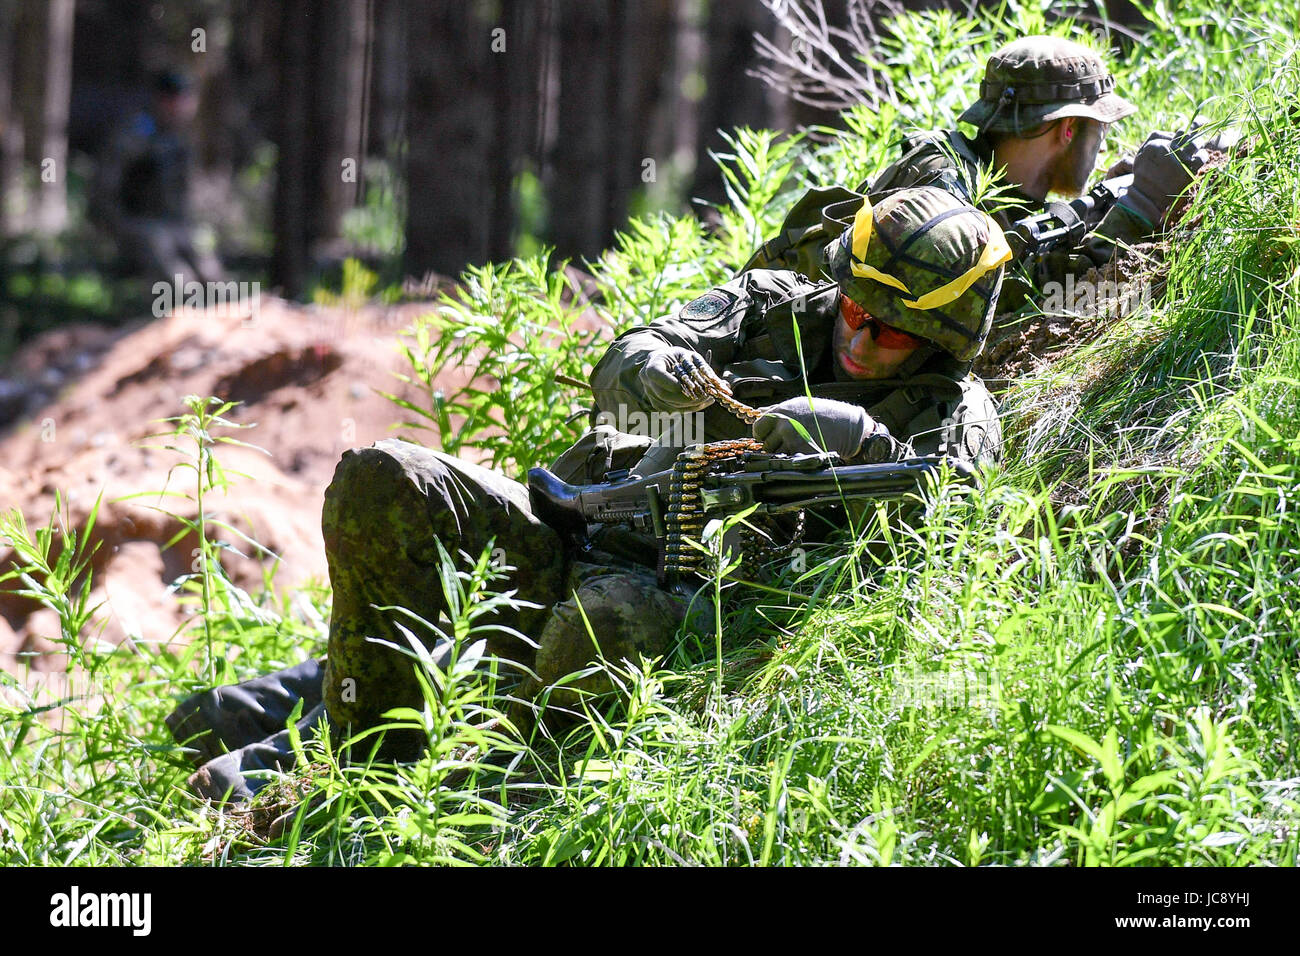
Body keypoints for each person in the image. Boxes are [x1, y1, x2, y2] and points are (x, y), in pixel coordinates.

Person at [166, 186, 1010, 802]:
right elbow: (625, 360)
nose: (860, 333)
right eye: (856, 305)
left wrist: (856, 440)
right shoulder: (772, 307)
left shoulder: (953, 413)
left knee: (594, 623)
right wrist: (652, 371)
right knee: (388, 480)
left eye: (894, 329)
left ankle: (337, 782)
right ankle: (334, 732)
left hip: (694, 609)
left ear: (943, 338)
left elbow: (952, 532)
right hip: (580, 524)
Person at [745, 35, 1209, 309]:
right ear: (1067, 129)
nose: (1103, 144)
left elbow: (1025, 258)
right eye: (1098, 130)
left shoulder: (998, 183)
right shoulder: (943, 195)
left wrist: (1104, 204)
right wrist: (1138, 211)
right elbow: (1010, 313)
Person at [92, 69, 224, 287]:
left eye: (186, 100)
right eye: (175, 100)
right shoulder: (135, 134)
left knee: (211, 273)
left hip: (172, 224)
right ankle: (177, 313)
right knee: (179, 280)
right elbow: (104, 190)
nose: (182, 107)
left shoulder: (180, 137)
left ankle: (221, 312)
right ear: (162, 100)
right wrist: (114, 224)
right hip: (136, 223)